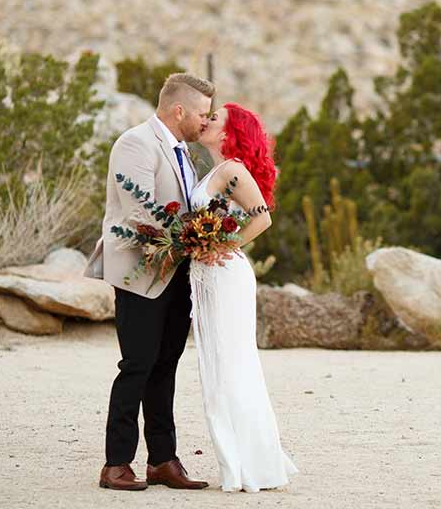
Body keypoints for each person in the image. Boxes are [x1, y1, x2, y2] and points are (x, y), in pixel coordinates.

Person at [84, 72, 213, 492]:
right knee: (136, 366)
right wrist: (194, 234)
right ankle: (116, 463)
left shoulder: (183, 151)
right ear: (179, 110)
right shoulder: (135, 143)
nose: (205, 123)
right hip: (141, 274)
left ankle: (162, 460)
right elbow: (141, 210)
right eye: (201, 114)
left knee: (165, 368)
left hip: (177, 273)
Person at [189, 102, 298, 492]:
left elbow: (262, 215)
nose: (206, 121)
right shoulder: (216, 170)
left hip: (226, 274)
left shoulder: (233, 170)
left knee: (233, 364)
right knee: (219, 367)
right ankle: (241, 459)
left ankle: (248, 464)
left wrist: (223, 245)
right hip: (208, 275)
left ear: (228, 132)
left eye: (214, 118)